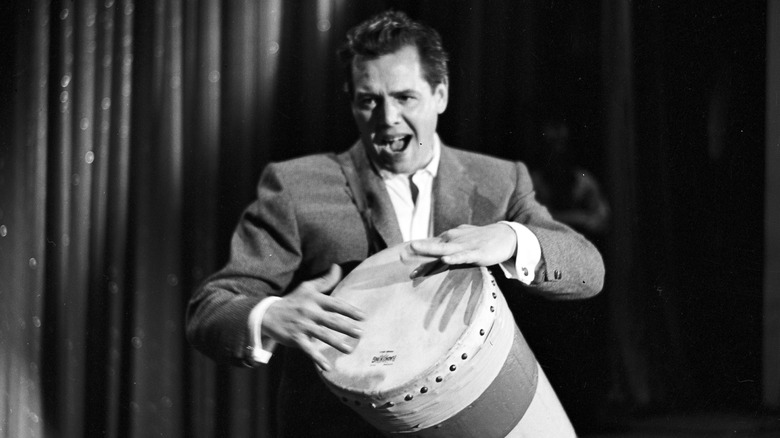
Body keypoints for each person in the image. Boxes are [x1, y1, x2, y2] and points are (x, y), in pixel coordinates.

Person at [186, 10, 605, 437]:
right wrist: (272, 315)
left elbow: (588, 271)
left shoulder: (499, 181)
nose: (387, 119)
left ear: (440, 94)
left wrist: (511, 238)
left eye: (405, 97)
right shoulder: (296, 187)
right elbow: (210, 309)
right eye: (369, 100)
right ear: (352, 102)